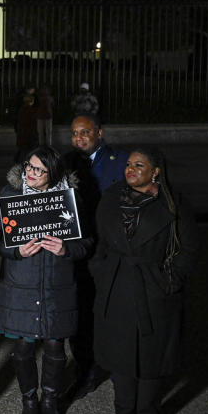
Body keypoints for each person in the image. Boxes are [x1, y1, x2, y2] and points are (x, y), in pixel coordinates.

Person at [92, 147, 198, 414]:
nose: (130, 169)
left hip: (154, 288)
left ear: (155, 172)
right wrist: (100, 272)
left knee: (152, 356)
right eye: (128, 164)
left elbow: (187, 250)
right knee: (119, 352)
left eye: (139, 165)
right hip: (116, 285)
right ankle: (123, 409)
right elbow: (100, 242)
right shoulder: (112, 198)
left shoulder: (174, 204)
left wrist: (169, 281)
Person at [0, 146, 92, 414]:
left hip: (56, 285)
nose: (31, 174)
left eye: (39, 170)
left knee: (55, 344)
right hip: (21, 283)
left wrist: (66, 248)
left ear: (53, 174)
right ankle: (29, 401)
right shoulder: (9, 196)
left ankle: (50, 400)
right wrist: (16, 251)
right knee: (23, 345)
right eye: (29, 167)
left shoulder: (70, 200)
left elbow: (87, 243)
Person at [63, 112, 129, 397]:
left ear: (99, 133)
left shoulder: (122, 159)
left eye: (85, 132)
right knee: (80, 315)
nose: (79, 138)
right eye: (75, 133)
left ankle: (120, 374)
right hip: (79, 251)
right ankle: (85, 373)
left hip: (111, 251)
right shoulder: (65, 162)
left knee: (114, 314)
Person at [15, 91, 37, 162]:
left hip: (22, 132)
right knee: (27, 150)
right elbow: (32, 122)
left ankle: (19, 160)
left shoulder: (22, 109)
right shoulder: (30, 110)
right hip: (28, 133)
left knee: (23, 149)